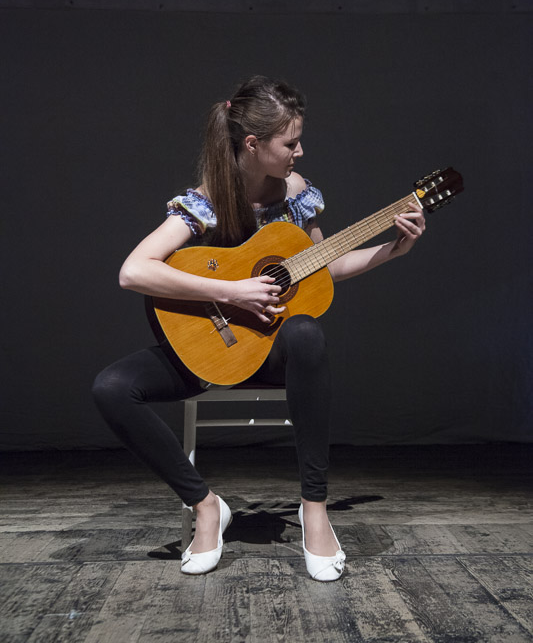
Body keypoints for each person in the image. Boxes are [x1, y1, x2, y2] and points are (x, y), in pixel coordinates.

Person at [92, 75, 425, 581]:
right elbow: (133, 271)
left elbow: (323, 266)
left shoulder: (297, 195)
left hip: (272, 356)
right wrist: (231, 291)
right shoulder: (208, 201)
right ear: (253, 144)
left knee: (306, 331)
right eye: (290, 143)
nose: (299, 151)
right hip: (214, 352)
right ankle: (206, 506)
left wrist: (391, 250)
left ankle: (315, 509)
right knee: (111, 387)